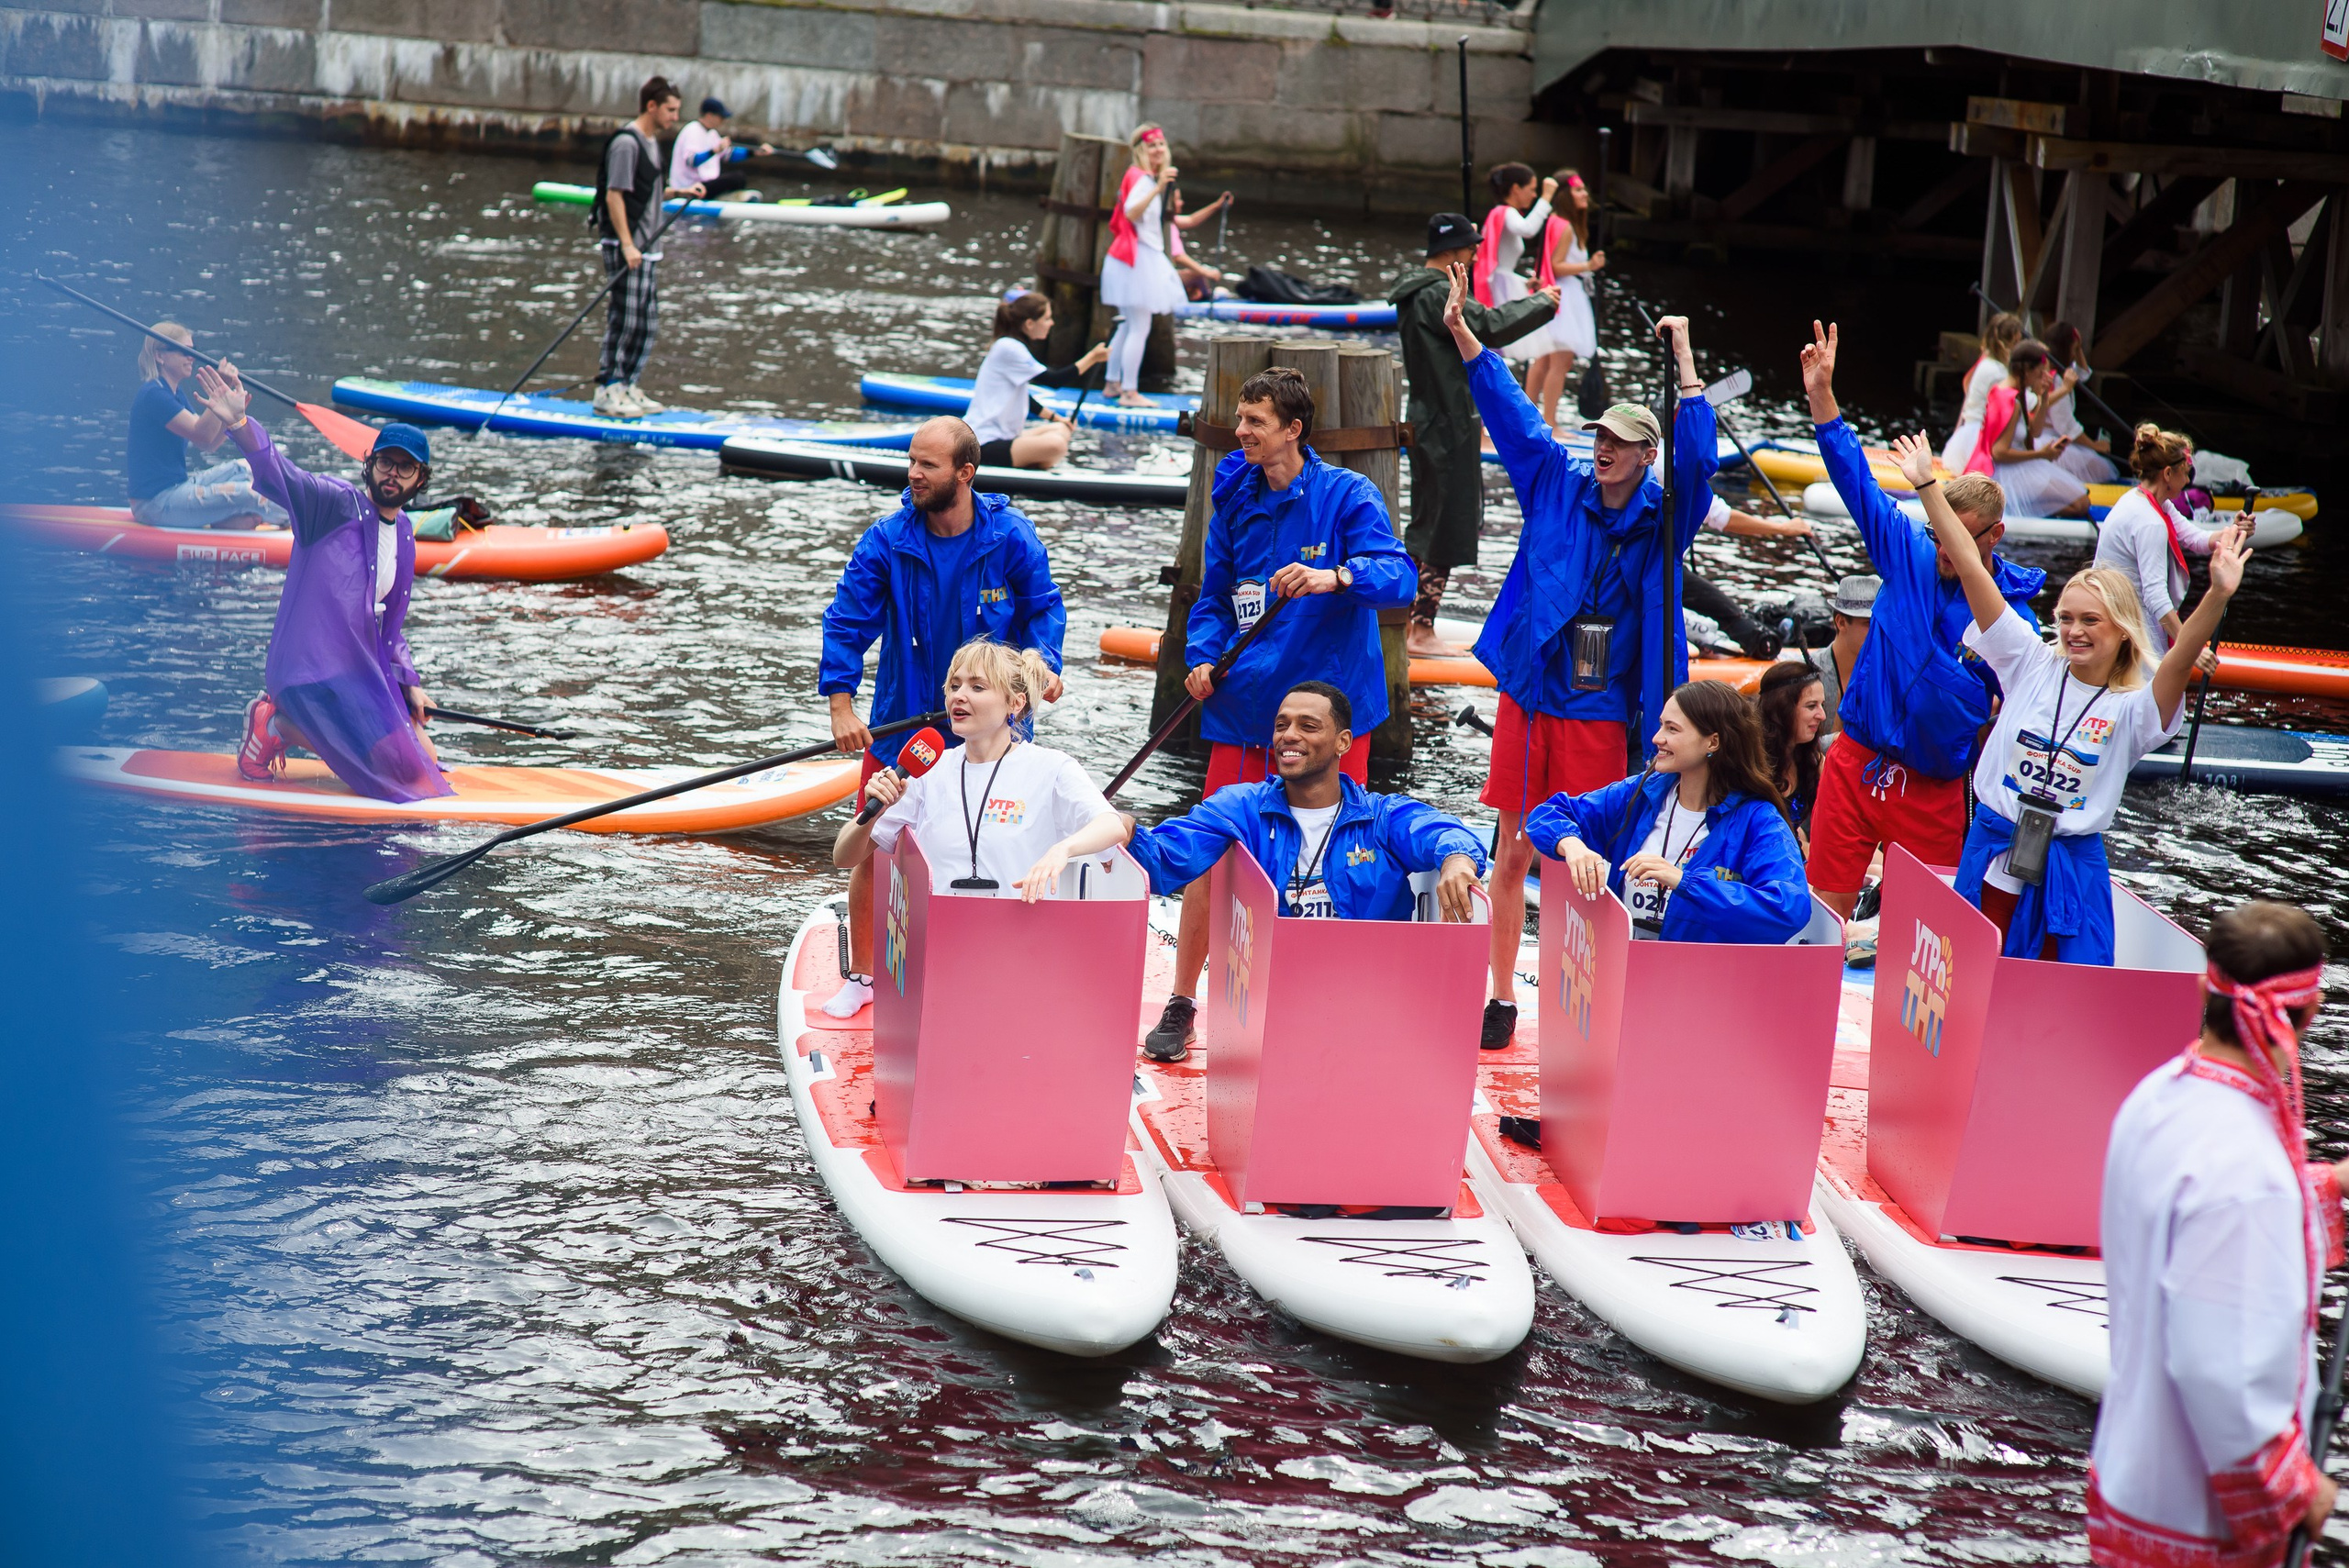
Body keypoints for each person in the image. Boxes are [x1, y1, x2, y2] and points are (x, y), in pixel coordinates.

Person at [1447, 264, 1718, 1045]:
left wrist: (1686, 360)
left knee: (1585, 862)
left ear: (1645, 457)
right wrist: (1465, 335)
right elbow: (1511, 416)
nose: (1602, 448)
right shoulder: (1554, 481)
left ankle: (1585, 1004)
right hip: (1531, 694)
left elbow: (1700, 463)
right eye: (1599, 436)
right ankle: (1501, 995)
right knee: (1511, 849)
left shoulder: (1667, 517)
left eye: (1620, 443)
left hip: (1598, 709)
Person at [1141, 368, 1417, 1059]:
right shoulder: (1235, 500)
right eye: (1239, 419)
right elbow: (1212, 599)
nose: (1241, 432)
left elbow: (1399, 577)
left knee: (1340, 856)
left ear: (1293, 430)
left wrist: (1337, 576)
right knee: (1213, 855)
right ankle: (1183, 999)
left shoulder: (1346, 495)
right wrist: (1202, 658)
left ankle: (1334, 995)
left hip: (1327, 713)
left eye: (1255, 422)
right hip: (1244, 710)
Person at [1896, 432, 2243, 963]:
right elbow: (1969, 564)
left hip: (2069, 869)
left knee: (2062, 990)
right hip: (1993, 854)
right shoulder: (2028, 659)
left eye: (2090, 620)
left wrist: (2217, 594)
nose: (2074, 631)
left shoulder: (2134, 708)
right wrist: (1926, 485)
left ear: (2122, 630)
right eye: (2065, 618)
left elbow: (2176, 662)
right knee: (1969, 978)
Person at [2089, 900, 2340, 1568]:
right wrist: (2296, 1488)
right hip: (2198, 1522)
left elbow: (2198, 1226)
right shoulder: (2248, 1168)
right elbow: (2217, 1370)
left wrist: (2331, 1188)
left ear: (2206, 988)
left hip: (2130, 1481)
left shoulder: (2155, 1096)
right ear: (2309, 1014)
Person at [819, 417, 1067, 1017]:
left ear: (965, 473)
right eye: (911, 461)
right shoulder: (887, 540)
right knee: (876, 845)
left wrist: (1044, 661)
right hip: (905, 724)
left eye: (927, 465)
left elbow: (1043, 609)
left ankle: (1001, 963)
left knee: (997, 841)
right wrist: (841, 705)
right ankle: (864, 975)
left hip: (993, 730)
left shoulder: (1010, 535)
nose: (913, 473)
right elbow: (846, 622)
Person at [1800, 320, 2044, 920]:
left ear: (1995, 536)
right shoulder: (1907, 550)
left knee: (1925, 932)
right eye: (1938, 532)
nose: (1944, 548)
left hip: (1934, 790)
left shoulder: (2012, 618)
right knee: (1823, 910)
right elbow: (1855, 480)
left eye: (1959, 538)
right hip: (1855, 764)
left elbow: (2028, 712)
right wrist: (1822, 395)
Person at [1125, 682, 1488, 1062]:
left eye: (1308, 726)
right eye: (1281, 725)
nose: (1289, 735)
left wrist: (1457, 859)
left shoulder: (1382, 815)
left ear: (1343, 742)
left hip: (1369, 998)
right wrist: (1128, 831)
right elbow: (1167, 859)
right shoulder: (1241, 806)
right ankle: (1183, 1003)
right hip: (1273, 1003)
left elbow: (1444, 832)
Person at [184, 365, 449, 802]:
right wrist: (240, 425)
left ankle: (324, 732)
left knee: (423, 764)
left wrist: (410, 684)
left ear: (420, 479)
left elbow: (388, 628)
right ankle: (274, 724)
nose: (393, 474)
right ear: (370, 465)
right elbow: (281, 474)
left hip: (360, 673)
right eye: (386, 462)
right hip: (309, 673)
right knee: (392, 772)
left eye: (406, 468)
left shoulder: (404, 533)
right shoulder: (331, 505)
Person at [1386, 212, 1559, 659]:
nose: (1475, 255)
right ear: (1452, 251)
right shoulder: (1437, 293)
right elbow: (1491, 325)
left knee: (1426, 520)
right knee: (1447, 523)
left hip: (1426, 419)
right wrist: (1543, 303)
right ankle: (1421, 629)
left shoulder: (1412, 293)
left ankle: (1404, 620)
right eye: (1471, 248)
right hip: (1449, 423)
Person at [833, 638, 1123, 901]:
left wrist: (1063, 849)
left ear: (1015, 703)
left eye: (977, 687)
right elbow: (843, 858)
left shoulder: (1053, 767)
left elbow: (1111, 826)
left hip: (1025, 934)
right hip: (943, 932)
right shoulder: (927, 770)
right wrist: (873, 814)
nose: (958, 696)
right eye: (954, 686)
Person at [1525, 679, 1809, 945]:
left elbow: (1788, 908)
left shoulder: (1759, 820)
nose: (1657, 738)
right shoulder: (1645, 791)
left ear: (1713, 742)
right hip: (1623, 965)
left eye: (1672, 729)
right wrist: (1572, 845)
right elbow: (1548, 814)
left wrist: (1684, 882)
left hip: (1700, 975)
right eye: (1661, 725)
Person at [593, 76, 701, 420]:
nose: (675, 117)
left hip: (648, 248)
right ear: (651, 106)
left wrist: (680, 193)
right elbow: (614, 195)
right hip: (627, 246)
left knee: (647, 323)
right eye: (670, 110)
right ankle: (607, 389)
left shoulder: (652, 143)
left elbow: (647, 190)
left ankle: (628, 384)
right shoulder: (627, 144)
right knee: (625, 319)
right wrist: (627, 244)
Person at [2094, 423, 2246, 660]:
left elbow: (2194, 538)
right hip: (2129, 629)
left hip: (2119, 616)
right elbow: (2155, 596)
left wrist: (2234, 530)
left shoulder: (2146, 501)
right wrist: (2189, 648)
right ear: (2167, 474)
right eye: (2185, 473)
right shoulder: (2150, 522)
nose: (2187, 481)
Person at [125, 323, 286, 530]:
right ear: (160, 356)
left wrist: (232, 417)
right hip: (155, 504)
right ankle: (300, 520)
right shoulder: (153, 395)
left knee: (245, 468)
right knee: (250, 493)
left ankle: (241, 517)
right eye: (185, 351)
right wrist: (221, 389)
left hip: (178, 488)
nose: (191, 357)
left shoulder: (174, 393)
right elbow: (201, 434)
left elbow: (208, 444)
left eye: (193, 351)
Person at [967, 293, 1108, 471]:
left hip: (1004, 437)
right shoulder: (1009, 347)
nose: (1052, 323)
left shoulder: (1012, 345)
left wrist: (1057, 418)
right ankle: (1031, 466)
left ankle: (1030, 464)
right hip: (983, 443)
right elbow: (1053, 380)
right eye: (1047, 318)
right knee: (1057, 445)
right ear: (1030, 324)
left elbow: (1024, 397)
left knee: (1061, 429)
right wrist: (1092, 357)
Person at [1100, 126, 1186, 407]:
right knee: (1139, 326)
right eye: (1152, 145)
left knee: (1128, 324)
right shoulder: (1143, 178)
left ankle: (1113, 383)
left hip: (1130, 259)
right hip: (1136, 259)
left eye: (1161, 144)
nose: (1158, 149)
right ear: (1141, 150)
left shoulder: (1137, 175)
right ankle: (1129, 392)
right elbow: (1131, 212)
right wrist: (1158, 187)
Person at [1968, 339, 2092, 518]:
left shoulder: (2008, 391)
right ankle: (2013, 505)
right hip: (2007, 471)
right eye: (2040, 372)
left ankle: (2019, 505)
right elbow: (1999, 452)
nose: (2043, 377)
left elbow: (2035, 432)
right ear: (2027, 371)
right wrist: (2041, 454)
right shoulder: (2010, 399)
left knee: (2081, 501)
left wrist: (2043, 398)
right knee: (2081, 504)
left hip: (2017, 466)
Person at [1524, 169, 1604, 430]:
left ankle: (1526, 419)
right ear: (1565, 195)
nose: (1585, 194)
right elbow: (1555, 265)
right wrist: (1589, 266)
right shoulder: (1566, 227)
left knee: (1543, 360)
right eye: (1578, 190)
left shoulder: (1555, 221)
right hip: (1565, 297)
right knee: (1559, 362)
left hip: (1559, 294)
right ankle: (1550, 422)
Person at [1472, 164, 1555, 341]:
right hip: (1500, 288)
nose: (1534, 195)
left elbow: (1503, 265)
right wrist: (1546, 197)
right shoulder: (1505, 212)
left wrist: (1525, 283)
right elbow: (1528, 229)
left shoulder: (1502, 213)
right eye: (1532, 189)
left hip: (1504, 283)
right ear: (1516, 189)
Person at [2041, 322, 2121, 484]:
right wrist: (2094, 445)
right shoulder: (2056, 380)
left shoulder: (2061, 372)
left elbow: (2083, 374)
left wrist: (2078, 348)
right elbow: (2065, 425)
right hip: (2050, 439)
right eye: (2073, 349)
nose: (2075, 353)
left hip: (2056, 437)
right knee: (2103, 469)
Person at [1941, 311, 2022, 473]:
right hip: (1976, 439)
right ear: (2012, 341)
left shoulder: (1986, 362)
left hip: (1965, 435)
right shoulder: (1999, 372)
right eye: (2018, 342)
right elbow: (2028, 403)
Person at [1756, 662, 1829, 840]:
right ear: (1782, 709)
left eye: (1822, 705)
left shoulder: (1814, 761)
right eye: (1811, 706)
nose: (1822, 715)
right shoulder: (1750, 763)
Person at [1802, 573, 1876, 739]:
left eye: (1880, 624)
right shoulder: (1807, 671)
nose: (1876, 633)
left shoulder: (1886, 673)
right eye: (1868, 624)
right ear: (1841, 622)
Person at [667, 96, 773, 201]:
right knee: (737, 178)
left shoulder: (712, 134)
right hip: (689, 188)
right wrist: (714, 150)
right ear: (709, 116)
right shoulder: (692, 130)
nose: (723, 120)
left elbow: (729, 155)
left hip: (704, 186)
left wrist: (754, 152)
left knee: (740, 178)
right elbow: (692, 161)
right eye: (721, 117)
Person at [1167, 187, 1231, 301]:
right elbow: (1178, 256)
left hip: (1167, 274)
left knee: (1199, 274)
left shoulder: (1169, 221)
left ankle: (1196, 294)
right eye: (1178, 200)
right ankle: (1206, 298)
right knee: (1198, 274)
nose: (1182, 202)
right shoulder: (1167, 226)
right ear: (1169, 204)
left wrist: (1217, 205)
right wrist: (1207, 273)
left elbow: (1191, 220)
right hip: (1164, 278)